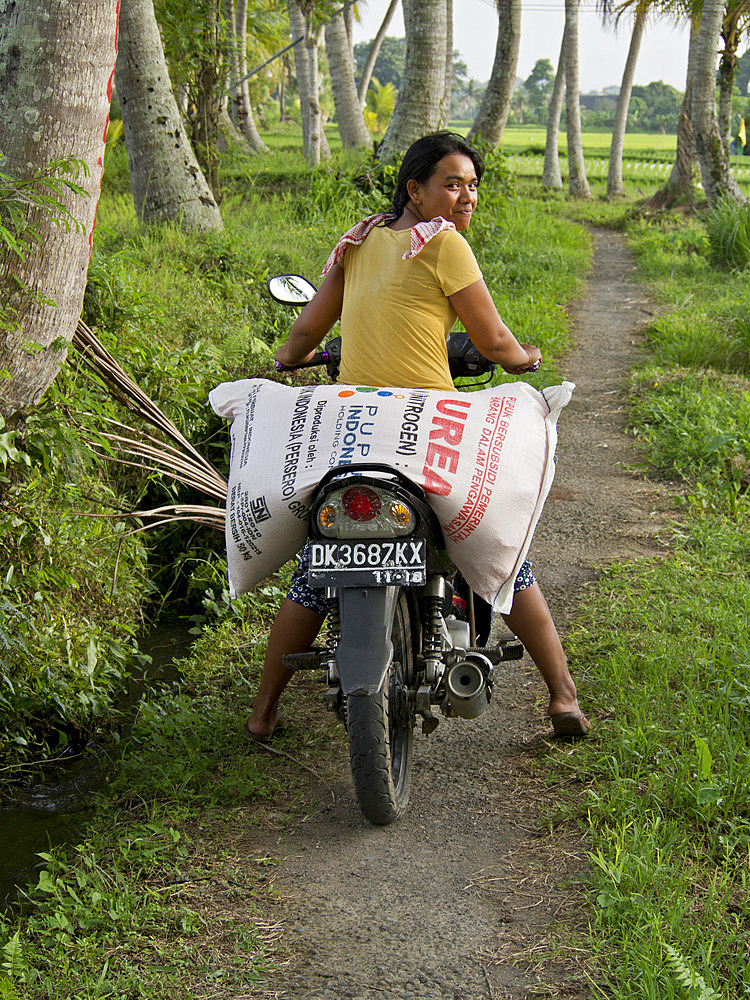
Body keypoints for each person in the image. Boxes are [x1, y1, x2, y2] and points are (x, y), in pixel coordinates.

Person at [246, 132, 589, 741]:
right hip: (424, 424)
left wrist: (287, 359)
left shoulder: (358, 239)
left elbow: (303, 334)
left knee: (315, 567)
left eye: (472, 186)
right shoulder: (445, 245)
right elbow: (493, 344)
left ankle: (264, 710)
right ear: (416, 190)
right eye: (452, 184)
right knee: (504, 556)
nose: (466, 198)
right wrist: (524, 358)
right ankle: (562, 696)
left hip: (350, 425)